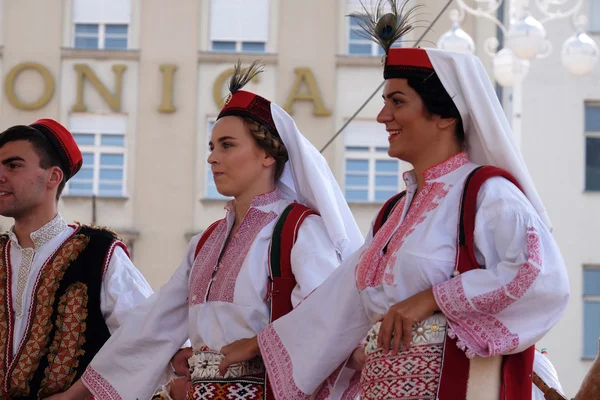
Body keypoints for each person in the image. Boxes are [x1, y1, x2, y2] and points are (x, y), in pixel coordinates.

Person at [217, 3, 570, 399]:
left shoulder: (487, 193)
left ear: (444, 115)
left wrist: (431, 299)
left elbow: (540, 278)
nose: (383, 116)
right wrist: (262, 344)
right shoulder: (392, 214)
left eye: (397, 101)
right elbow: (338, 304)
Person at [52, 61, 364, 400]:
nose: (213, 158)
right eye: (212, 147)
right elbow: (151, 325)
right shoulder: (207, 241)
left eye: (227, 145)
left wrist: (255, 346)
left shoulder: (300, 230)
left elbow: (327, 320)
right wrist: (77, 395)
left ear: (267, 155)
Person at [0, 119, 153, 398]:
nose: (0, 175)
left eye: (13, 165)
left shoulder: (99, 253)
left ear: (53, 177)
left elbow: (146, 341)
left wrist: (77, 394)